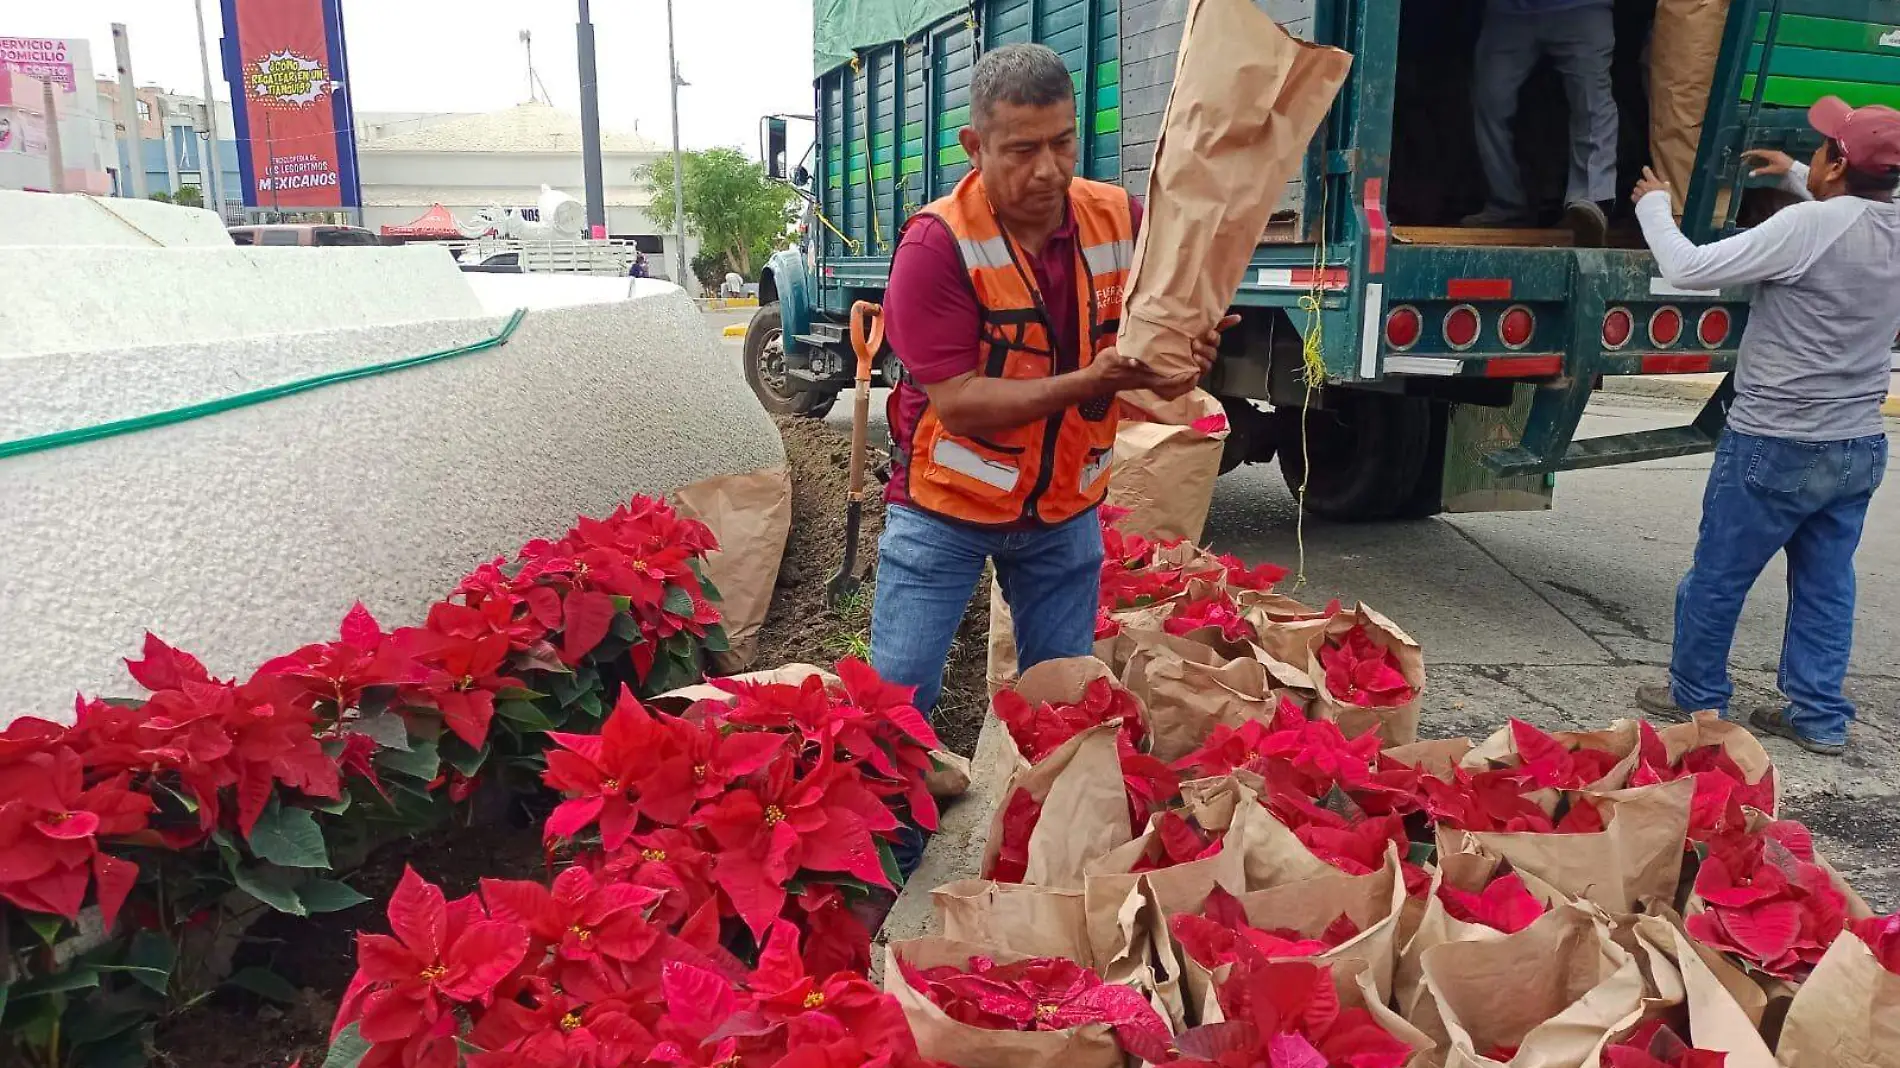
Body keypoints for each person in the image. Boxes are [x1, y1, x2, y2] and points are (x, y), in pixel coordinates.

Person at [871, 42, 1229, 719]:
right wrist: (1090, 379)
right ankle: (898, 829)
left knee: (1065, 711)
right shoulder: (935, 248)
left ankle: (1040, 823)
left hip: (1065, 511)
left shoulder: (1121, 220)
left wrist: (1189, 348)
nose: (1048, 169)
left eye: (1063, 143)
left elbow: (1164, 351)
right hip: (944, 511)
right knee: (896, 711)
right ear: (974, 146)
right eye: (1021, 150)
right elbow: (962, 404)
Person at [1633, 97, 1900, 756]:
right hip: (1858, 443)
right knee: (1826, 582)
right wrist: (1793, 176)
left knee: (1719, 577)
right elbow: (1853, 222)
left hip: (1776, 440)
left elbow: (1687, 268)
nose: (1814, 153)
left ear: (1837, 163)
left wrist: (1652, 205)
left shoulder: (1807, 226)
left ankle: (1697, 704)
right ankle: (1819, 717)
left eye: (1823, 147)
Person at [1463, 0, 1620, 245]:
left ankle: (1591, 203)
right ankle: (1506, 204)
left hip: (1583, 8)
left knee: (1592, 102)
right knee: (1489, 99)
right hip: (1509, 12)